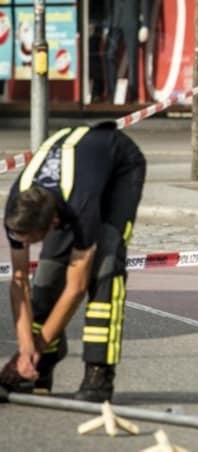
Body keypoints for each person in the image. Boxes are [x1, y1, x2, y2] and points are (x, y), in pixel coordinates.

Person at [0, 122, 146, 403]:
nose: (24, 245)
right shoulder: (17, 210)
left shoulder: (80, 208)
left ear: (54, 223)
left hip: (120, 166)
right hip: (77, 173)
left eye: (32, 240)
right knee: (45, 278)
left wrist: (35, 347)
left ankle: (99, 373)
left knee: (106, 269)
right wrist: (25, 346)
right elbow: (19, 281)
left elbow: (76, 287)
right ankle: (40, 363)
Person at [104, 0, 150, 103]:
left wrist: (145, 24)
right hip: (115, 21)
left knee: (132, 58)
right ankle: (111, 91)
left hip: (131, 19)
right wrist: (107, 23)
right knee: (109, 54)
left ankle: (133, 94)